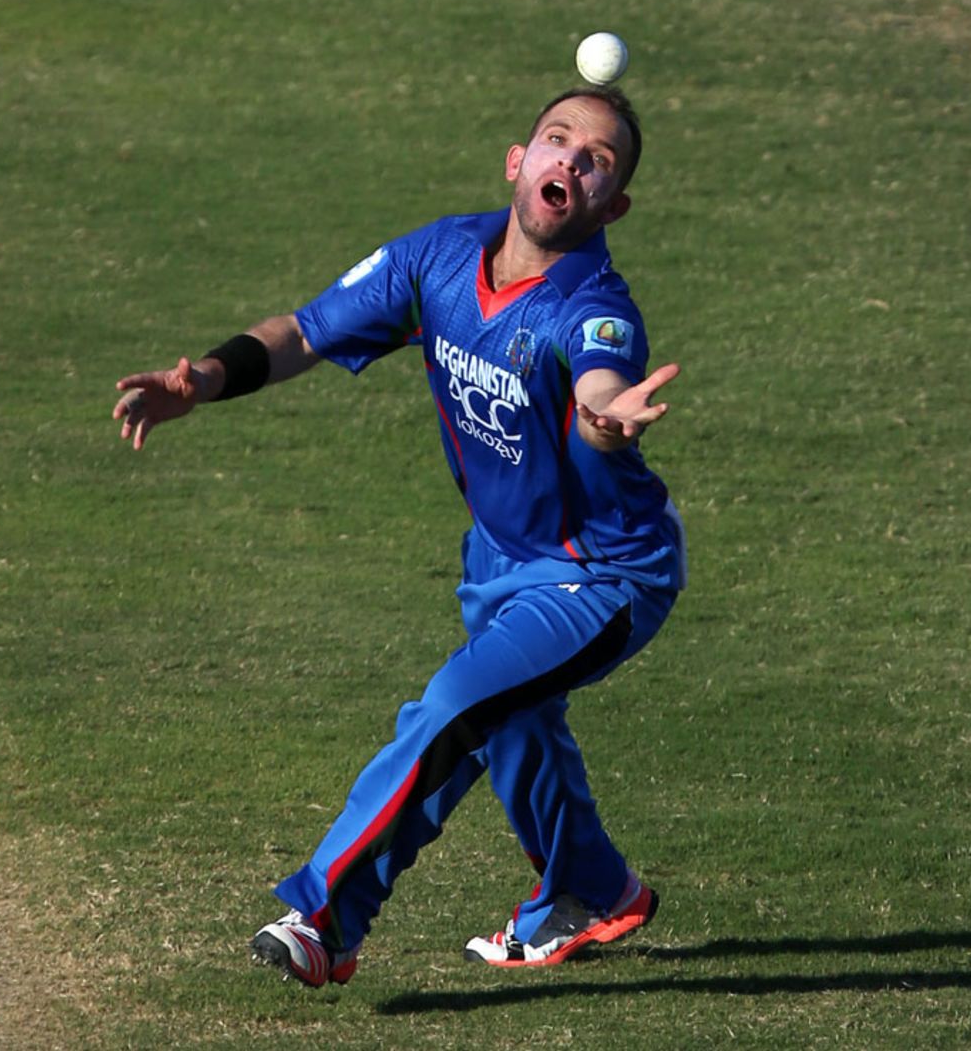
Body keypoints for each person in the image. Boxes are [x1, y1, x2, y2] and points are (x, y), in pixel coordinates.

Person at [112, 85, 687, 987]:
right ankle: (592, 886)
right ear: (517, 160)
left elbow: (599, 383)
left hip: (601, 573)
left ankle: (326, 921)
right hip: (501, 557)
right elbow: (306, 331)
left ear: (612, 205)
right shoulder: (441, 258)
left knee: (458, 707)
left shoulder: (593, 306)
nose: (570, 162)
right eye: (557, 140)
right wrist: (208, 381)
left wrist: (608, 417)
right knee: (514, 720)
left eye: (597, 160)